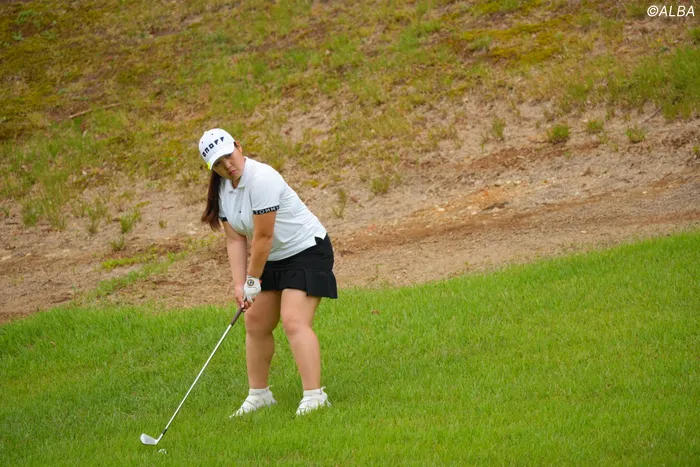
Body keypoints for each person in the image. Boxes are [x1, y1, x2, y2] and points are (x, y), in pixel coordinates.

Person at [198, 128, 337, 417]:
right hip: (272, 257)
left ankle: (315, 396)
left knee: (294, 320)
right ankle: (259, 395)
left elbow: (263, 237)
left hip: (306, 250)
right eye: (219, 164)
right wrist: (240, 285)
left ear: (238, 146)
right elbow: (235, 239)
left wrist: (253, 280)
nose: (228, 165)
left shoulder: (262, 179)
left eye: (229, 156)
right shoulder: (223, 189)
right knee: (256, 322)